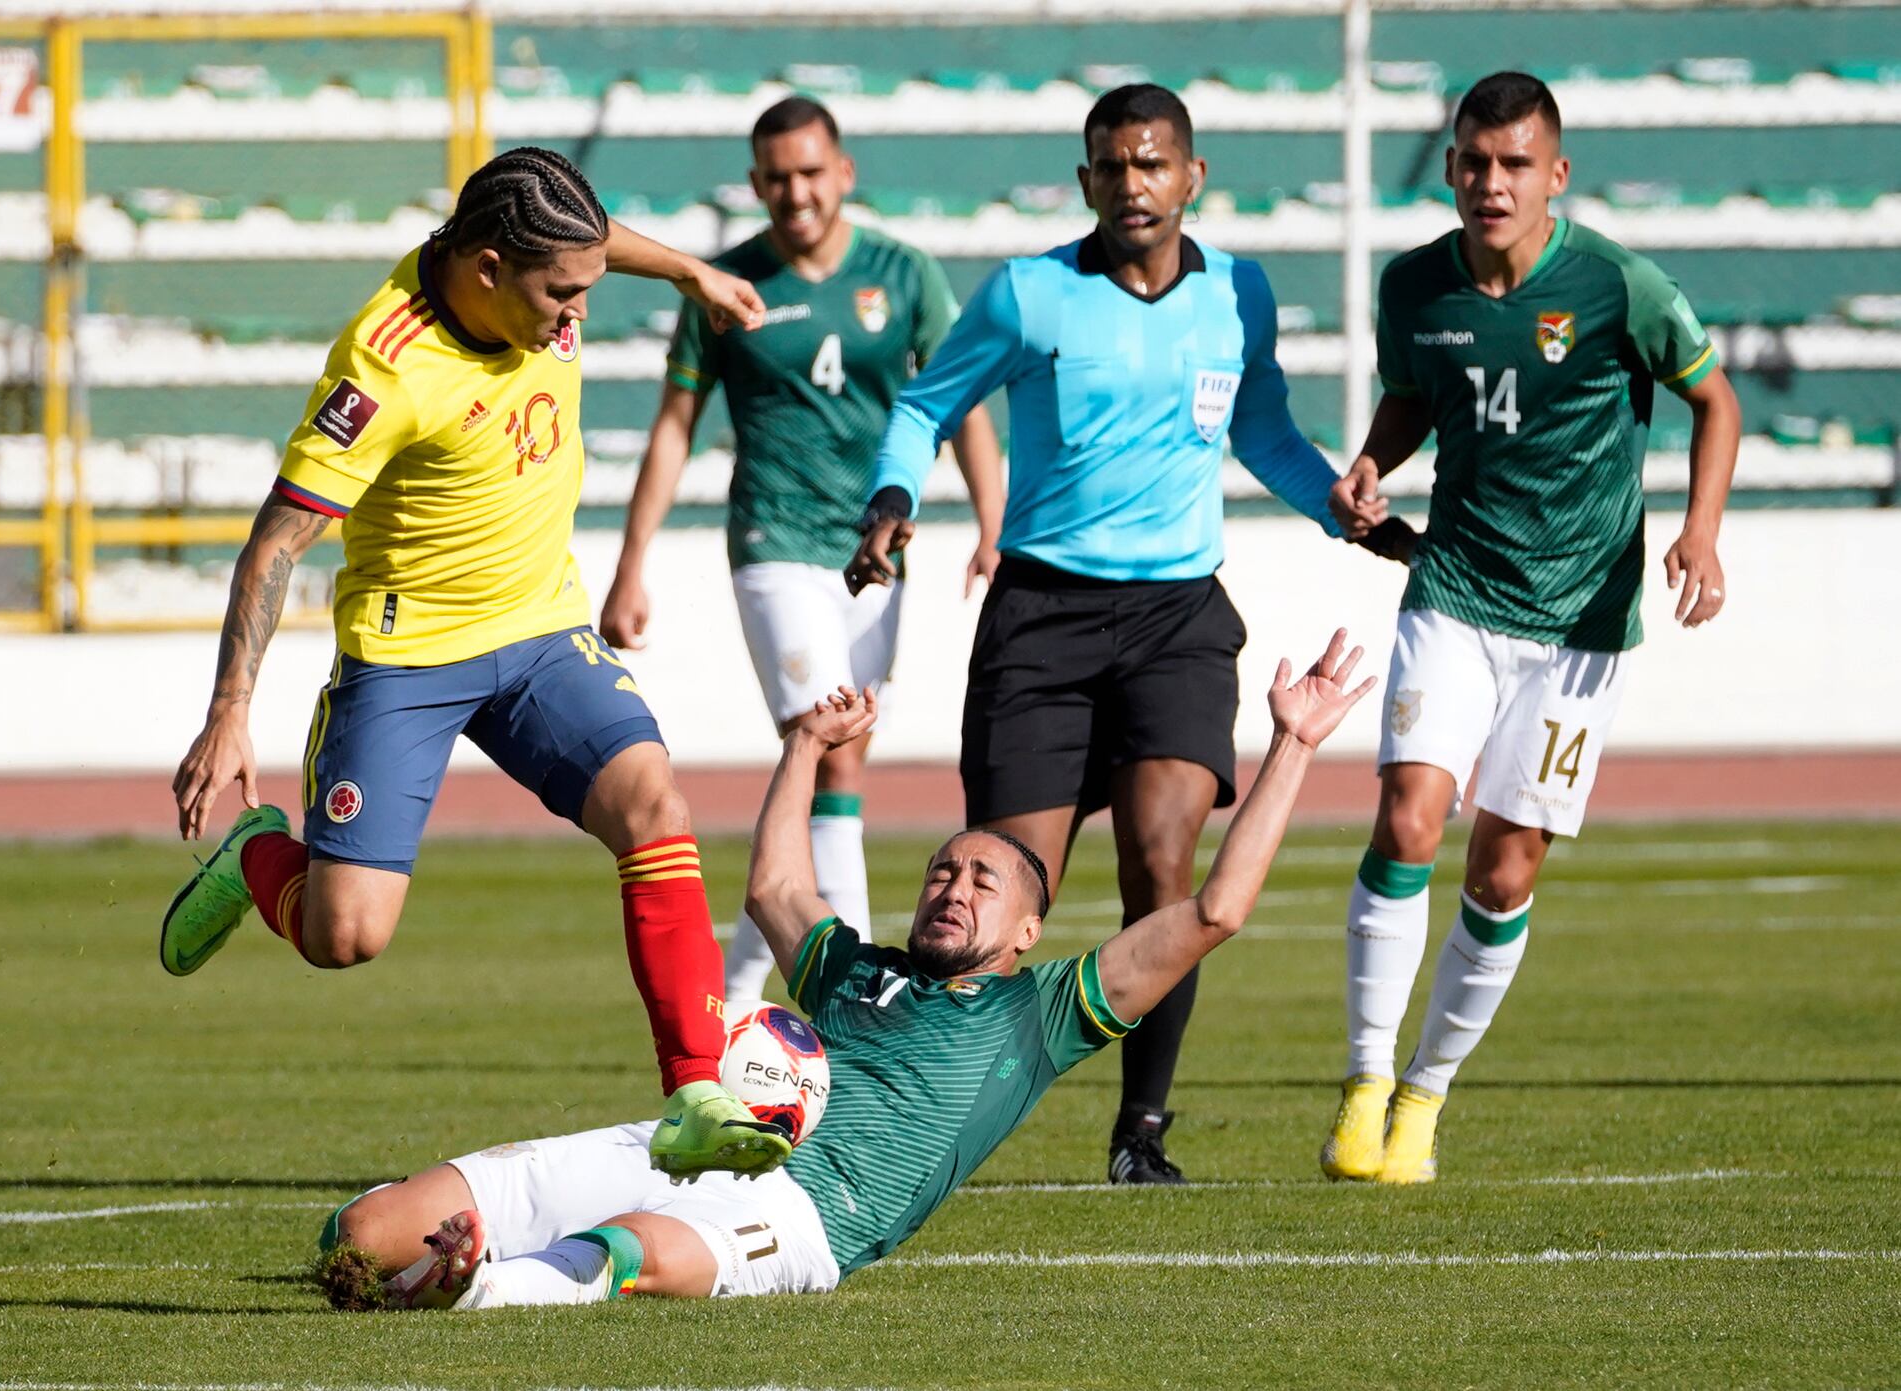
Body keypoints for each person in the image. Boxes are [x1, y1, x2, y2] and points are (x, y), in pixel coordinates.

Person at [317, 631, 1375, 1308]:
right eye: (941, 869)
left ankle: (474, 1286)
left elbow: (1217, 908)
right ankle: (422, 1248)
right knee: (358, 1237)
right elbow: (777, 887)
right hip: (698, 1138)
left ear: (1026, 932)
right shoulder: (852, 973)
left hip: (807, 1215)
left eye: (983, 881)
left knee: (639, 1250)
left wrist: (1289, 745)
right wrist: (804, 749)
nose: (953, 886)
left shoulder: (1038, 1013)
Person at [161, 146, 795, 1180]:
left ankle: (693, 1090)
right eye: (561, 293)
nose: (575, 312)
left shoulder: (547, 267)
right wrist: (231, 711)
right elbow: (276, 542)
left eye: (587, 284)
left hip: (542, 628)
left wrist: (689, 271)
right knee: (346, 934)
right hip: (409, 654)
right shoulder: (383, 365)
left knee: (654, 803)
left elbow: (589, 243)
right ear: (489, 268)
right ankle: (254, 859)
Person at [845, 83, 1408, 1184]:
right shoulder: (1029, 293)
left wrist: (1335, 507)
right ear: (1084, 181)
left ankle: (1139, 1128)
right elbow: (922, 406)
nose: (1131, 184)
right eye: (1110, 165)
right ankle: (920, 1119)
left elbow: (1261, 429)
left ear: (1192, 177)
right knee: (1001, 892)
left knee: (1163, 861)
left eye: (1152, 164)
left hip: (1176, 617)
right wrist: (892, 502)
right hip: (1041, 615)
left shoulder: (1241, 292)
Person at [1319, 72, 1739, 1185]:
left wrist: (1699, 533)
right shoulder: (1413, 286)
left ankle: (1423, 1095)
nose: (1489, 182)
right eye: (1471, 160)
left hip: (1579, 624)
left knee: (1502, 875)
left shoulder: (1615, 285)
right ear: (1450, 165)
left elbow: (1715, 397)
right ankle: (1362, 1086)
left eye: (1513, 164)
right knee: (1410, 817)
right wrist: (1369, 467)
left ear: (1556, 175)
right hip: (1454, 590)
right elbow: (1413, 396)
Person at [599, 95, 1005, 1002]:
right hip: (773, 541)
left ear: (844, 173)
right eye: (777, 177)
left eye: (812, 172)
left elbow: (962, 402)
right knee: (830, 741)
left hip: (876, 552)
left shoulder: (903, 275)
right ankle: (857, 994)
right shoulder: (726, 283)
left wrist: (992, 524)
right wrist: (633, 562)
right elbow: (675, 425)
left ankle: (733, 1005)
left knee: (827, 758)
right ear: (756, 184)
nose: (796, 192)